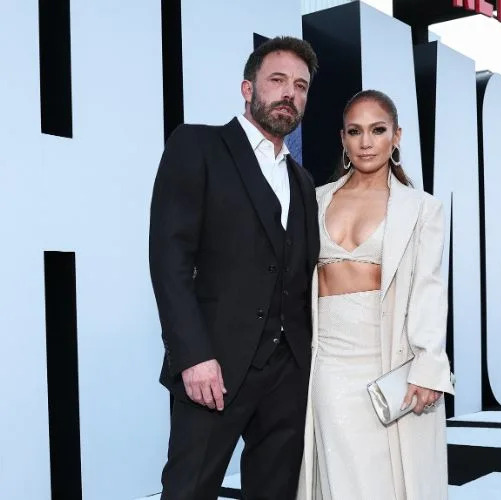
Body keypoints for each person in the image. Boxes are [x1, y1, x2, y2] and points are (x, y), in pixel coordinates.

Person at [149, 36, 320, 500]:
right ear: (248, 88)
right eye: (278, 80)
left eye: (301, 86)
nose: (290, 93)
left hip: (288, 375)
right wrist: (192, 356)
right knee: (189, 491)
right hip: (213, 370)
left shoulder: (303, 181)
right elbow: (169, 260)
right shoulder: (197, 145)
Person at [297, 90, 455, 500]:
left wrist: (429, 365)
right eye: (355, 131)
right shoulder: (315, 200)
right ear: (343, 140)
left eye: (378, 130)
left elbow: (429, 288)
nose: (366, 142)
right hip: (329, 362)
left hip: (391, 361)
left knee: (389, 482)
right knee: (342, 478)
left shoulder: (422, 208)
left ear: (396, 136)